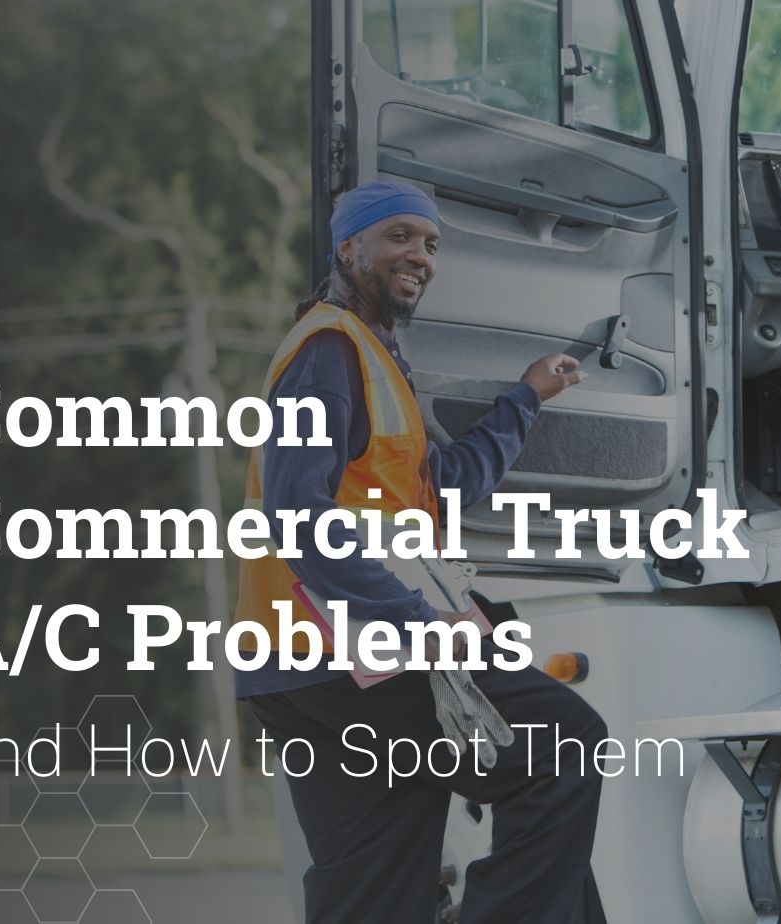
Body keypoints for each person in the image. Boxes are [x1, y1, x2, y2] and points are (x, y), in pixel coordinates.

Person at [235, 180, 607, 923]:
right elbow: (297, 514)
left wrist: (525, 399)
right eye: (399, 236)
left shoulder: (369, 356)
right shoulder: (327, 351)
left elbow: (439, 489)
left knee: (371, 891)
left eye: (431, 244)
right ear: (350, 247)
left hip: (297, 666)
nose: (420, 255)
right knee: (564, 745)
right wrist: (415, 624)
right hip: (349, 653)